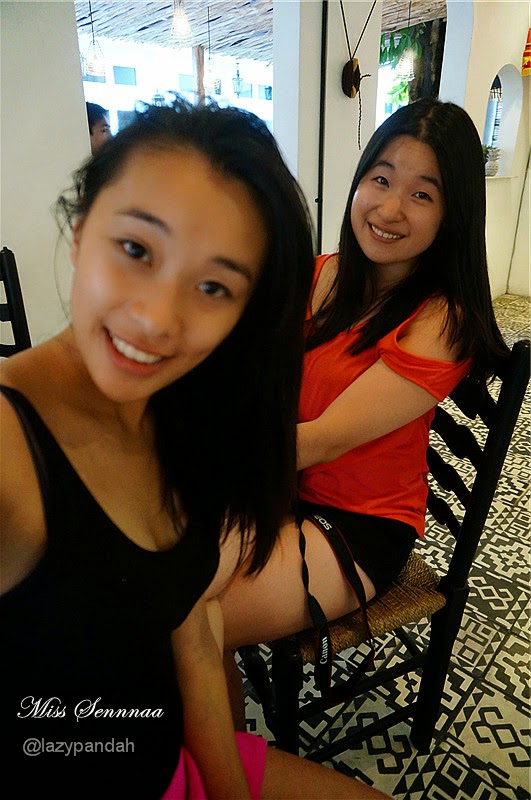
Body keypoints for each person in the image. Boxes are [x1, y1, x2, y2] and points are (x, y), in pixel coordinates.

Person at [0, 96, 390, 800]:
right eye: (135, 250)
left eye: (213, 286)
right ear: (81, 230)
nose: (155, 318)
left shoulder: (182, 419)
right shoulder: (9, 448)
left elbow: (193, 630)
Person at [209, 98, 510, 709]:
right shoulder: (321, 273)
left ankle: (222, 759)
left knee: (187, 615)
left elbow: (322, 438)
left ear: (453, 213)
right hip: (279, 487)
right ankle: (212, 746)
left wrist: (202, 458)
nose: (390, 209)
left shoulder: (443, 320)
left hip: (355, 525)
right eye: (381, 179)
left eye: (422, 194)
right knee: (154, 579)